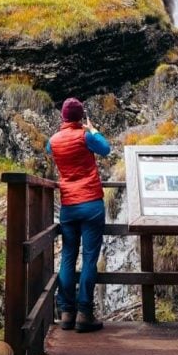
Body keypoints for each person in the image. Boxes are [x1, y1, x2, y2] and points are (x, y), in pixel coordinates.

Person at [46, 97, 111, 333]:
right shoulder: (86, 136)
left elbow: (48, 147)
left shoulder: (53, 140)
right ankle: (84, 313)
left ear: (63, 117)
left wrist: (64, 130)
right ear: (81, 116)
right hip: (91, 203)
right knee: (89, 258)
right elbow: (105, 148)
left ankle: (66, 312)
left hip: (68, 206)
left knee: (67, 257)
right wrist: (92, 129)